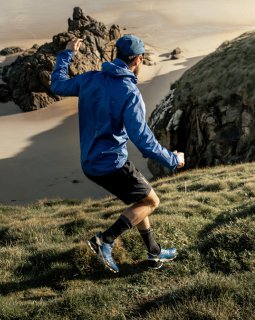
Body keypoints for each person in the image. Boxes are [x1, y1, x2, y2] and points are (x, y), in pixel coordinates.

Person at [50, 35, 185, 273]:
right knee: (152, 201)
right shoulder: (129, 93)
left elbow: (57, 84)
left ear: (117, 56)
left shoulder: (91, 79)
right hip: (112, 163)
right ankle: (106, 240)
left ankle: (154, 252)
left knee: (140, 198)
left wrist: (67, 52)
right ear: (138, 59)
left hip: (89, 162)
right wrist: (174, 159)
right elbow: (143, 140)